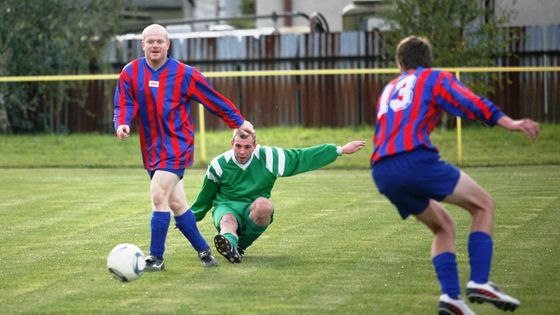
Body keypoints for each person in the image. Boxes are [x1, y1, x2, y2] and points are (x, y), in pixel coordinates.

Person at [371, 35, 539, 314]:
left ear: (400, 63)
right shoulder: (433, 78)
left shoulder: (390, 87)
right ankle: (480, 282)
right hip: (414, 160)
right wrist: (508, 122)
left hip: (382, 170)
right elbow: (469, 102)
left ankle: (451, 298)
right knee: (484, 205)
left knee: (444, 226)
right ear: (428, 61)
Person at [113, 24, 255, 271]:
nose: (155, 45)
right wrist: (123, 122)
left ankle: (156, 258)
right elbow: (124, 102)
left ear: (168, 45)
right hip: (152, 150)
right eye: (150, 41)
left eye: (160, 41)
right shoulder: (130, 72)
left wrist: (239, 121)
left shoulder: (184, 74)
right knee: (176, 203)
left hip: (177, 145)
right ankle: (204, 252)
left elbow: (213, 99)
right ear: (142, 44)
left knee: (158, 194)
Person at [190, 130, 366, 263]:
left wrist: (339, 150)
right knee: (228, 220)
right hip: (227, 205)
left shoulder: (270, 157)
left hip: (254, 205)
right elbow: (207, 194)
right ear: (231, 143)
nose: (242, 151)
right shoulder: (219, 164)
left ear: (255, 146)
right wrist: (191, 217)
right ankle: (229, 243)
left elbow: (301, 157)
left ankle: (237, 248)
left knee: (265, 206)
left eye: (247, 147)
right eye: (238, 146)